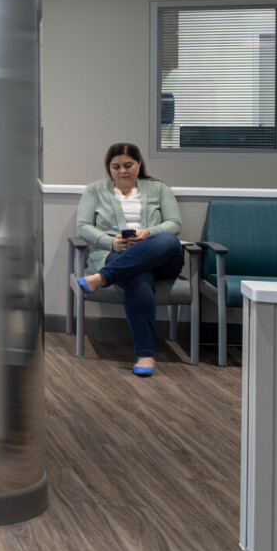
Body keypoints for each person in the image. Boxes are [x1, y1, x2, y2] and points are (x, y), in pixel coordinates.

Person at [76, 141, 183, 377]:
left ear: (139, 164)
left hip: (160, 256)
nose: (122, 171)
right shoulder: (94, 190)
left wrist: (147, 233)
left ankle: (102, 278)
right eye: (116, 167)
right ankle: (145, 355)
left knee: (169, 240)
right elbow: (82, 227)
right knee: (138, 275)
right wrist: (111, 242)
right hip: (116, 254)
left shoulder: (159, 189)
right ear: (108, 169)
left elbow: (175, 225)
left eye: (128, 165)